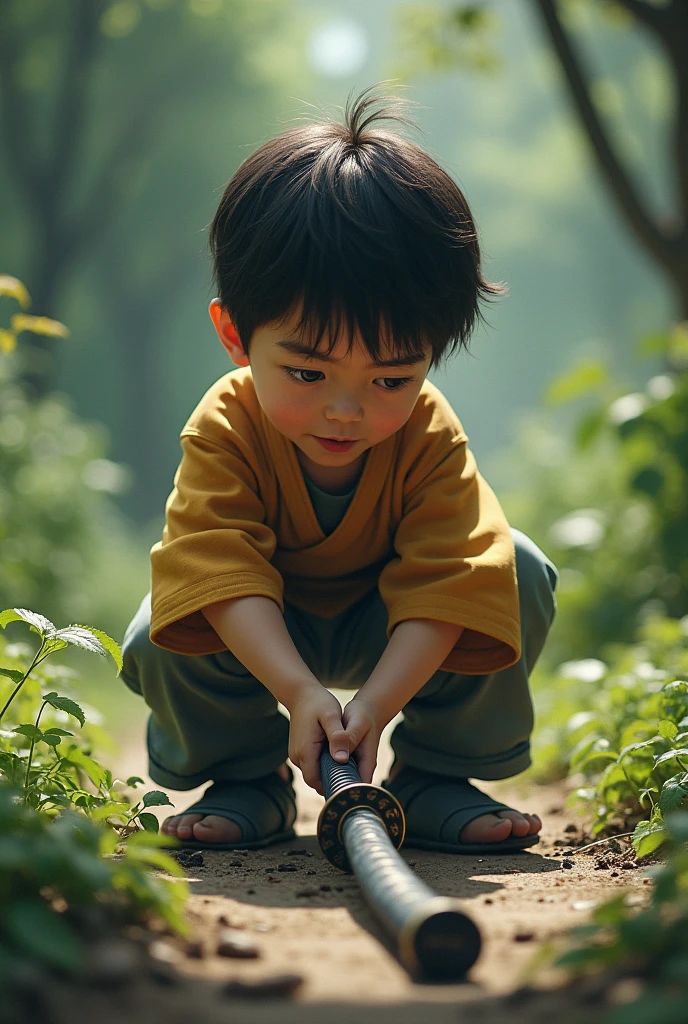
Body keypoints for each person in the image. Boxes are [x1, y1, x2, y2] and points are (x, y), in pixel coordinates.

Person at [120, 85, 558, 854]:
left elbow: (452, 576)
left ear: (432, 355)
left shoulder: (427, 433)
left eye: (391, 378)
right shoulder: (226, 426)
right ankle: (244, 779)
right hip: (261, 630)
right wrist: (296, 691)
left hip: (390, 628)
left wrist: (375, 710)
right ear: (236, 336)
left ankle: (437, 777)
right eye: (309, 374)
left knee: (512, 569)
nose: (347, 411)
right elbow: (217, 569)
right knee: (165, 622)